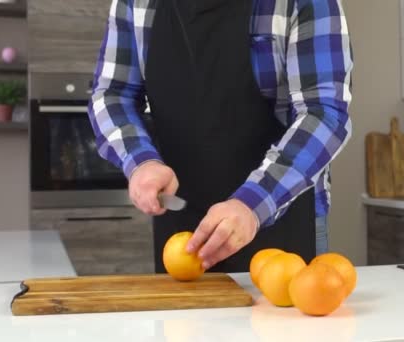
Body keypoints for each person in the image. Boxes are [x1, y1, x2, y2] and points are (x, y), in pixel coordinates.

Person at [88, 0, 353, 273]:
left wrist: (252, 204)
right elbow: (112, 95)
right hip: (180, 218)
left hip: (280, 212)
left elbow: (324, 114)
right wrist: (141, 162)